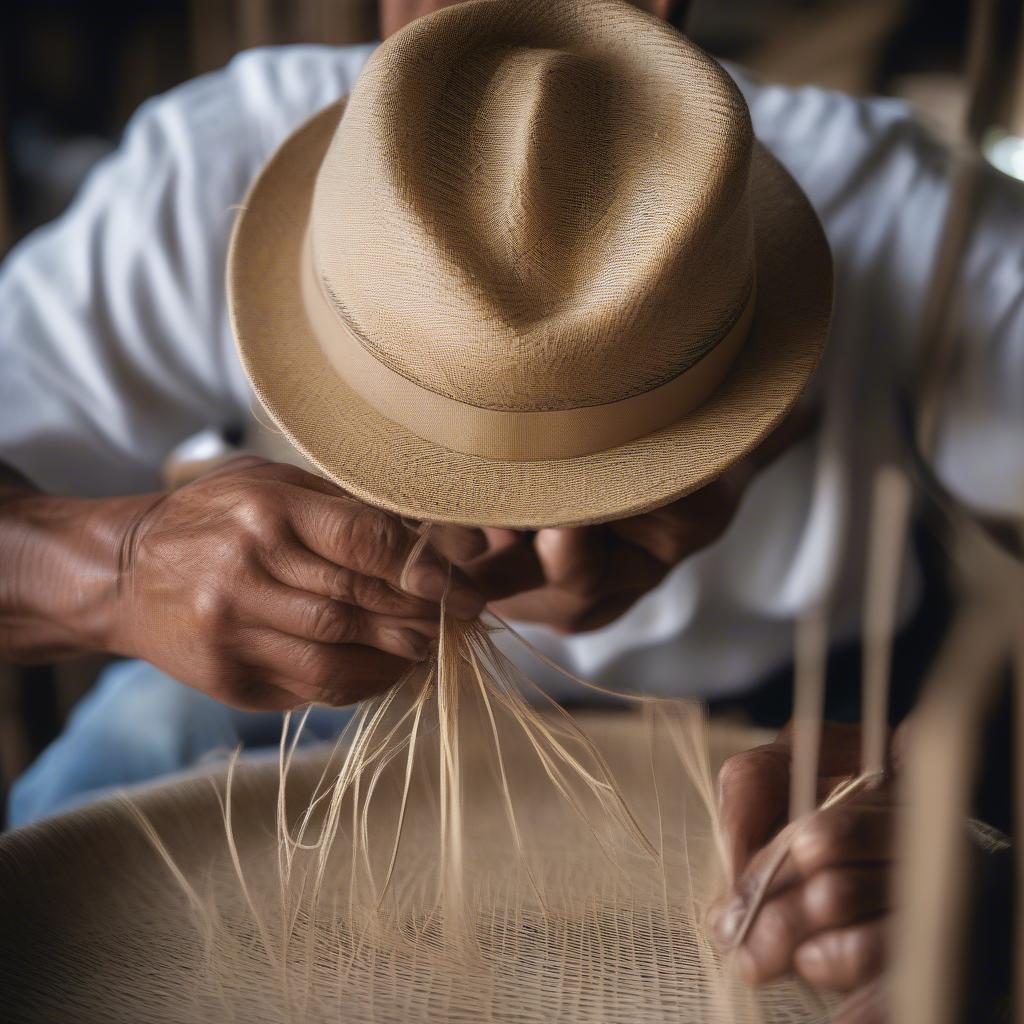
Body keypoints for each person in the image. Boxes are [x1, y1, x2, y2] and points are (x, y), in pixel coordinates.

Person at [0, 0, 1019, 1019]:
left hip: (784, 720)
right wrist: (115, 567)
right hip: (276, 716)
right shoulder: (210, 168)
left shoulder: (918, 221)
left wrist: (942, 768)